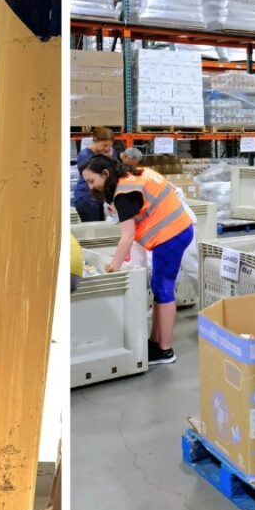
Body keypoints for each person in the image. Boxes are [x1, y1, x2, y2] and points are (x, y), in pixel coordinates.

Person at [86, 154, 193, 366]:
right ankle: (156, 342)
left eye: (92, 181)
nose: (91, 187)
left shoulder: (124, 193)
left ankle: (166, 350)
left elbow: (127, 236)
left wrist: (113, 267)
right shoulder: (132, 175)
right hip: (177, 228)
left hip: (171, 235)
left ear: (106, 174)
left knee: (164, 289)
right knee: (159, 287)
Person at [71, 128, 114, 222]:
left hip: (100, 198)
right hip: (87, 199)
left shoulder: (109, 151)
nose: (107, 148)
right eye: (104, 145)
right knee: (93, 230)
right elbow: (100, 175)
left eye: (110, 145)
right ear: (95, 140)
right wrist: (107, 158)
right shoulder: (85, 155)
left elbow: (115, 171)